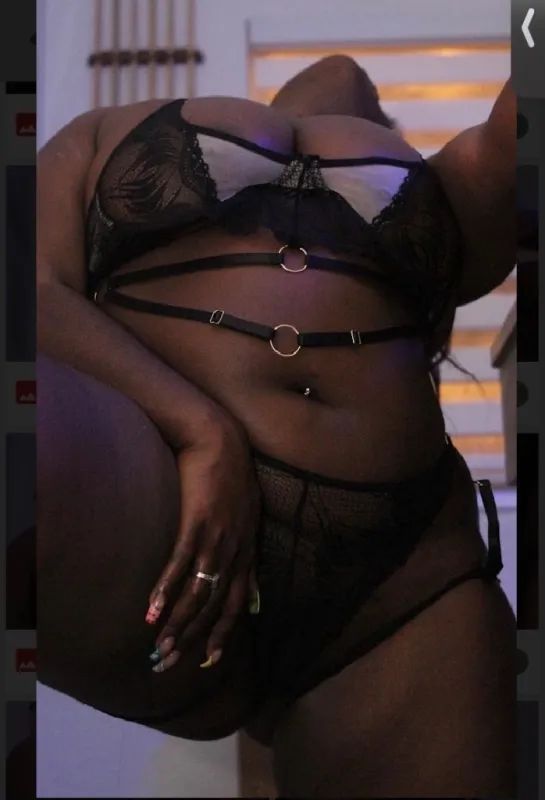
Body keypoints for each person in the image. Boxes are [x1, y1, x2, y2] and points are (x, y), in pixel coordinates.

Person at [38, 55, 516, 797]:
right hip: (157, 495)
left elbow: (511, 140)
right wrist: (202, 430)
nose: (346, 69)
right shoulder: (98, 131)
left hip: (399, 590)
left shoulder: (435, 183)